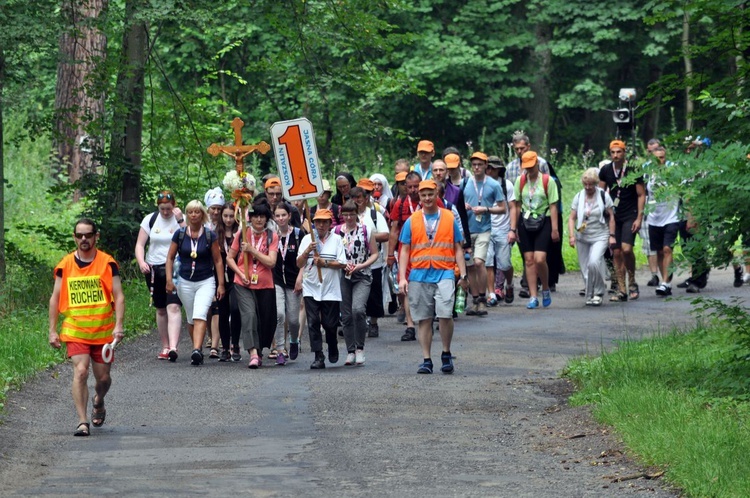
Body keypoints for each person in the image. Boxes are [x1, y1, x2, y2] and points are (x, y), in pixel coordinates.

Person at [49, 218, 125, 436]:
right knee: (80, 372)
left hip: (103, 331)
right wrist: (52, 330)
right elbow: (55, 298)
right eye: (80, 235)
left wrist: (118, 325)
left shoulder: (107, 263)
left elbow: (118, 296)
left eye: (88, 235)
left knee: (103, 379)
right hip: (75, 330)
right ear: (74, 237)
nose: (84, 239)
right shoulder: (65, 265)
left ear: (96, 237)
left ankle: (98, 400)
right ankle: (82, 422)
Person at [398, 180, 469, 374]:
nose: (427, 198)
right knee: (424, 318)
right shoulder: (412, 220)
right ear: (419, 197)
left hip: (444, 271)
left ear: (437, 194)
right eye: (423, 195)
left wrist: (463, 274)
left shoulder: (448, 217)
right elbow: (404, 250)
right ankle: (426, 359)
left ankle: (446, 353)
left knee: (445, 314)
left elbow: (458, 248)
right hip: (419, 274)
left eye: (430, 194)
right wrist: (402, 278)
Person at [165, 200, 225, 366]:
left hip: (205, 281)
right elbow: (170, 258)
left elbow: (218, 260)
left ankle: (197, 350)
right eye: (190, 212)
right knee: (191, 317)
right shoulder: (180, 234)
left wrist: (221, 284)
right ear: (187, 214)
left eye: (197, 212)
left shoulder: (209, 235)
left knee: (200, 313)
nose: (193, 215)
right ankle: (196, 347)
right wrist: (169, 280)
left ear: (202, 214)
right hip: (185, 281)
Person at [226, 202, 279, 368]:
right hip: (243, 283)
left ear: (266, 219)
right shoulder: (242, 233)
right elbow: (229, 258)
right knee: (249, 315)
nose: (258, 219)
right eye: (255, 216)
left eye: (262, 216)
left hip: (265, 284)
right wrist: (241, 274)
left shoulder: (272, 235)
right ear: (250, 218)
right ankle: (253, 353)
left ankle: (260, 350)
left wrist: (252, 250)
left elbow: (271, 262)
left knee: (265, 319)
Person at [134, 190, 183, 360]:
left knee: (174, 306)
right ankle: (165, 344)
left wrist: (181, 220)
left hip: (175, 268)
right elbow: (140, 244)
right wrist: (142, 262)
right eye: (162, 209)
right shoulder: (150, 219)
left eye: (168, 208)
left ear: (174, 206)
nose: (165, 212)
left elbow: (191, 237)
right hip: (154, 268)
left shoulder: (179, 220)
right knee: (161, 308)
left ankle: (173, 347)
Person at [296, 209, 347, 369]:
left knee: (330, 324)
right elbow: (299, 263)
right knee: (313, 322)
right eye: (318, 222)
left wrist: (324, 263)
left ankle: (332, 344)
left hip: (330, 289)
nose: (321, 225)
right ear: (314, 223)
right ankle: (318, 354)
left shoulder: (337, 239)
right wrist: (307, 251)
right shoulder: (307, 239)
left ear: (330, 223)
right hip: (311, 286)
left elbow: (342, 263)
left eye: (325, 222)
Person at [511, 151, 560, 309]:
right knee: (529, 260)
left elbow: (553, 206)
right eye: (526, 167)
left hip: (543, 220)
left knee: (540, 259)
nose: (529, 170)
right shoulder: (520, 180)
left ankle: (545, 287)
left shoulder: (547, 181)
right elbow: (517, 205)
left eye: (532, 166)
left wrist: (554, 229)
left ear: (537, 164)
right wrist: (515, 227)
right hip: (525, 222)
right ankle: (533, 296)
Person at [598, 139, 645, 302]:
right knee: (616, 251)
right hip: (614, 215)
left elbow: (641, 194)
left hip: (630, 213)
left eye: (619, 152)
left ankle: (632, 282)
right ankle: (621, 288)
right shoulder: (605, 170)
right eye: (613, 152)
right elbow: (600, 192)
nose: (616, 155)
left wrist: (639, 217)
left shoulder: (633, 169)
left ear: (624, 153)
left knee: (626, 249)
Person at [461, 151, 506, 316]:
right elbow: (458, 205)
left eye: (480, 164)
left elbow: (502, 208)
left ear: (486, 166)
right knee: (470, 266)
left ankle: (484, 296)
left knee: (479, 262)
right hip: (467, 230)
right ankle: (476, 300)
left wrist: (486, 209)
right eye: (474, 165)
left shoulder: (493, 185)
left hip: (484, 230)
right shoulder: (465, 183)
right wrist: (464, 205)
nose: (477, 167)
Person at [335, 201, 379, 365]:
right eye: (345, 214)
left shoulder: (366, 230)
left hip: (362, 275)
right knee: (345, 315)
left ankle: (360, 347)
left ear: (357, 214)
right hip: (343, 275)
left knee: (358, 310)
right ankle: (350, 350)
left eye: (351, 214)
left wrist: (361, 266)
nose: (348, 218)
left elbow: (374, 254)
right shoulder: (337, 231)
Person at [567, 168, 616, 306]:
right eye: (586, 184)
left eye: (591, 184)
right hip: (583, 236)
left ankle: (599, 292)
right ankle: (590, 294)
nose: (588, 187)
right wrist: (571, 236)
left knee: (594, 262)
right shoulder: (578, 196)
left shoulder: (603, 196)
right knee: (585, 268)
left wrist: (612, 236)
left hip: (600, 234)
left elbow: (611, 216)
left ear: (596, 183)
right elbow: (572, 218)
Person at [351, 183, 390, 337]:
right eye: (353, 198)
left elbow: (385, 234)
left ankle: (373, 323)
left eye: (359, 197)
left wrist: (366, 236)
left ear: (366, 198)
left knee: (373, 294)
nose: (356, 201)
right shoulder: (347, 214)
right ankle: (357, 323)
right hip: (353, 262)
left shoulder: (374, 215)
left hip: (373, 262)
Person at [389, 171, 422, 341]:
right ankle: (410, 325)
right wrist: (390, 254)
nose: (413, 190)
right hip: (406, 251)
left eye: (416, 186)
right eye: (410, 187)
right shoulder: (400, 204)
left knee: (424, 286)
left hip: (426, 251)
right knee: (406, 287)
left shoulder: (431, 201)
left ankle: (425, 319)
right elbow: (394, 230)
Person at [645, 146, 681, 297]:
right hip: (654, 218)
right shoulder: (647, 172)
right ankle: (665, 281)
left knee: (667, 249)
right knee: (659, 251)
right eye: (656, 158)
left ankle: (666, 282)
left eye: (662, 158)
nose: (659, 161)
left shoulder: (673, 170)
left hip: (671, 217)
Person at [272, 203, 305, 364]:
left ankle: (293, 340)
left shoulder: (298, 234)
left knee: (293, 319)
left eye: (283, 215)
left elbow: (306, 258)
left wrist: (301, 277)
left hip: (293, 281)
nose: (280, 218)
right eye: (277, 216)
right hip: (276, 280)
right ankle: (279, 349)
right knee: (279, 314)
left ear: (289, 216)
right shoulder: (271, 235)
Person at [484, 156, 517, 305]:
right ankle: (491, 293)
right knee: (488, 262)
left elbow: (512, 207)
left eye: (492, 167)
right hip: (486, 228)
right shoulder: (481, 184)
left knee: (504, 264)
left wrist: (512, 230)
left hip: (503, 229)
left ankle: (509, 283)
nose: (489, 170)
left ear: (498, 169)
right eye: (488, 167)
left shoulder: (506, 185)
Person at [215, 202, 242, 362]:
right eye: (225, 216)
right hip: (219, 277)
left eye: (231, 216)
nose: (228, 219)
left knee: (235, 309)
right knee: (222, 312)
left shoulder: (241, 233)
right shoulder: (215, 234)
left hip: (236, 276)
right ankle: (225, 347)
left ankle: (235, 344)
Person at [204, 187, 225, 357]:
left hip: (221, 268)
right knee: (208, 307)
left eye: (219, 209)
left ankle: (216, 342)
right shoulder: (202, 225)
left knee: (217, 304)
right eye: (213, 209)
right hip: (205, 268)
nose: (216, 212)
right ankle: (210, 336)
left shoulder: (225, 224)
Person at [643, 138, 662, 286]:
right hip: (648, 208)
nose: (653, 153)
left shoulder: (668, 167)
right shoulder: (644, 168)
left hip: (665, 209)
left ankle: (665, 276)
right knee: (649, 243)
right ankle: (654, 274)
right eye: (650, 151)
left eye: (656, 150)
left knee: (664, 246)